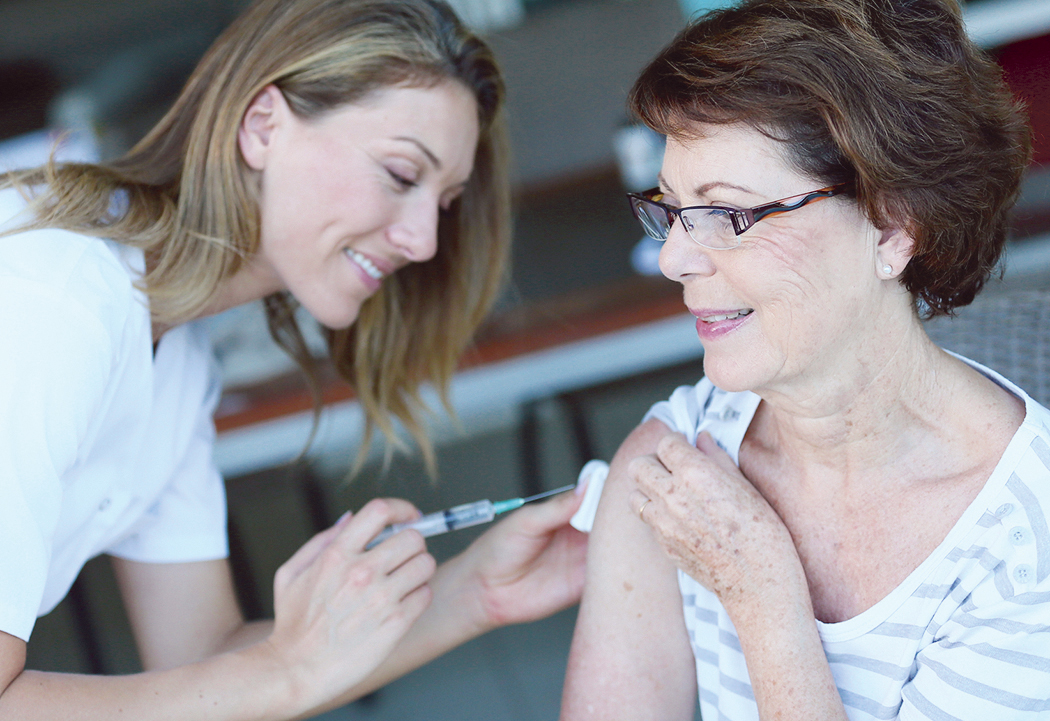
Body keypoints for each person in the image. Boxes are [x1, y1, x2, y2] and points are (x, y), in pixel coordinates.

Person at [0, 0, 587, 718]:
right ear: (262, 126)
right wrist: (289, 670)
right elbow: (260, 676)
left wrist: (474, 592)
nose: (424, 241)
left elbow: (202, 658)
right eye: (402, 174)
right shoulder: (56, 301)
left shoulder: (175, 351)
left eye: (446, 201)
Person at [562, 0, 1050, 719]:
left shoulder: (1023, 548)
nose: (672, 257)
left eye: (726, 214)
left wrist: (761, 600)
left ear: (892, 226)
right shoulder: (682, 462)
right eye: (669, 209)